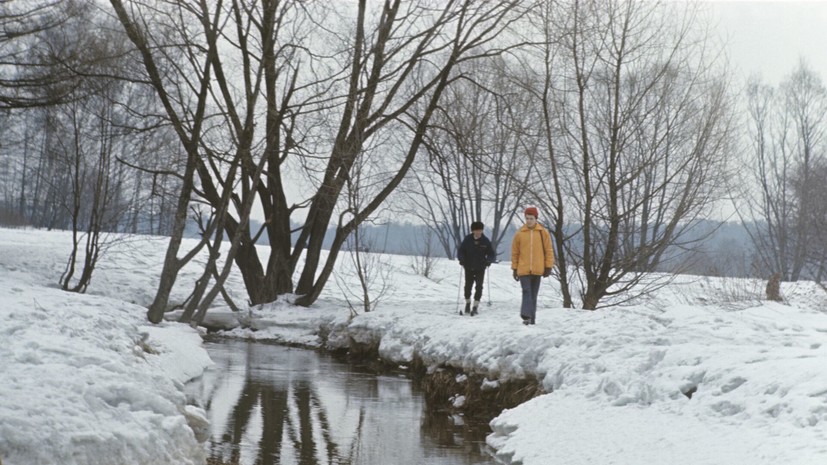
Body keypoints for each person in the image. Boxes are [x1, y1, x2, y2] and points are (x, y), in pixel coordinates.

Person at [511, 206, 554, 325]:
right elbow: (515, 252)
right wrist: (514, 268)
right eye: (527, 218)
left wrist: (548, 266)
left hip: (537, 269)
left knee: (533, 295)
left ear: (536, 218)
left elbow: (548, 250)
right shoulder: (519, 234)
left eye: (531, 218)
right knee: (526, 291)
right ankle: (526, 315)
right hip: (523, 269)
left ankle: (532, 320)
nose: (529, 221)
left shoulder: (543, 233)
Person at [457, 221, 496, 316]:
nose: (479, 232)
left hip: (480, 267)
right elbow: (461, 251)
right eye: (476, 230)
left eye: (480, 230)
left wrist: (489, 260)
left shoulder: (485, 241)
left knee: (479, 286)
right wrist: (461, 259)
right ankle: (468, 303)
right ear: (473, 231)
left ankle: (475, 306)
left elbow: (491, 253)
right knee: (467, 287)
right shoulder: (467, 239)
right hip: (468, 267)